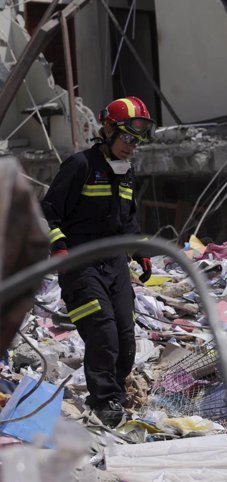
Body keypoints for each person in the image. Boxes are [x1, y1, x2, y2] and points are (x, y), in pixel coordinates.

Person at [41, 96, 155, 426]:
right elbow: (47, 213)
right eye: (127, 137)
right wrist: (58, 247)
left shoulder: (128, 173)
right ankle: (104, 401)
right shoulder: (80, 166)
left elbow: (128, 221)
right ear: (107, 130)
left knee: (125, 337)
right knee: (102, 332)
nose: (131, 146)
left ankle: (114, 397)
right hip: (80, 263)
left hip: (115, 263)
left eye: (137, 141)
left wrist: (140, 252)